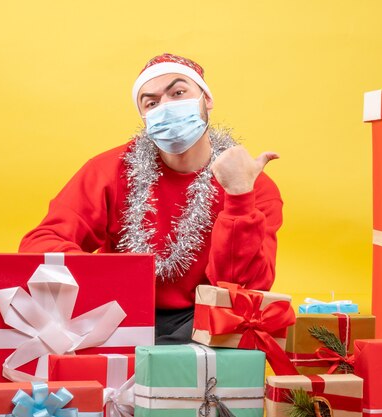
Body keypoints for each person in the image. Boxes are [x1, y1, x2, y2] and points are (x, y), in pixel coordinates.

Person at [19, 53, 283, 344]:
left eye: (178, 93)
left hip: (204, 322)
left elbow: (241, 290)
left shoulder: (252, 184)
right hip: (118, 313)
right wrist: (113, 281)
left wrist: (238, 197)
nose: (166, 107)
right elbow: (40, 244)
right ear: (144, 117)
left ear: (206, 99)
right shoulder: (111, 170)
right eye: (152, 102)